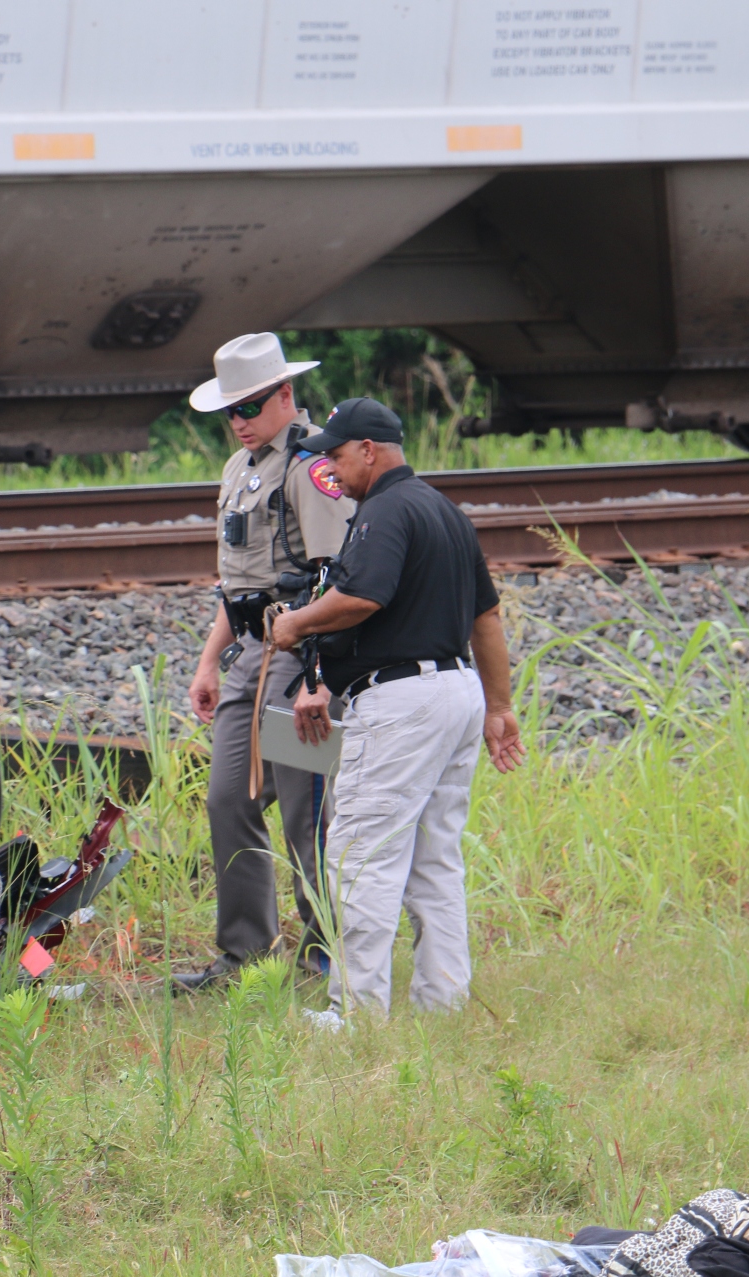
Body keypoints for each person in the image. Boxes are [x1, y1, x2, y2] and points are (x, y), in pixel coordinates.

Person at [268, 397, 525, 1016]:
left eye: (335, 454)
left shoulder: (382, 511)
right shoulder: (445, 511)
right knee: (435, 858)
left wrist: (296, 624)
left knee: (361, 856)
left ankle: (356, 1015)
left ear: (369, 451)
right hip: (457, 691)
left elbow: (362, 598)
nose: (329, 467)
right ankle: (444, 1004)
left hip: (401, 703)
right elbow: (486, 617)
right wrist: (499, 707)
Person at [176, 332, 350, 992]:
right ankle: (243, 953)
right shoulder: (236, 467)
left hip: (298, 651)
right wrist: (208, 661)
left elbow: (337, 576)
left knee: (305, 807)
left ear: (285, 395)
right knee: (228, 797)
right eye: (230, 411)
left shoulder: (309, 466)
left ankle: (325, 949)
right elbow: (237, 582)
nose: (240, 421)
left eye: (250, 406)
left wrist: (318, 674)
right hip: (249, 649)